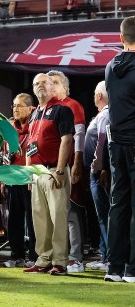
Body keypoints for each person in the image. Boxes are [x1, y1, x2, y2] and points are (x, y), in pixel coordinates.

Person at [23, 73, 74, 276]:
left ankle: (60, 261)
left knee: (58, 217)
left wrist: (60, 170)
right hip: (37, 173)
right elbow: (29, 144)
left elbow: (66, 140)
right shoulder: (35, 114)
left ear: (53, 87)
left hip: (54, 170)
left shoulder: (62, 110)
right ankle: (43, 259)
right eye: (36, 83)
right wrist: (28, 172)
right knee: (40, 219)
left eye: (44, 82)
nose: (40, 86)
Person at [104, 16, 135, 283]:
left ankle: (114, 267)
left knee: (119, 205)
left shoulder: (110, 66)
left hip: (116, 145)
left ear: (121, 37)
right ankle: (133, 269)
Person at [47, 70, 86, 274]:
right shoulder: (48, 108)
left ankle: (75, 258)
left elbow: (79, 136)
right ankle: (55, 257)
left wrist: (77, 162)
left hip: (67, 167)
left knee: (70, 213)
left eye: (55, 83)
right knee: (54, 214)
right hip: (49, 169)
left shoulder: (72, 105)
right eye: (49, 82)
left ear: (65, 87)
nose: (51, 86)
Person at [0, 93, 37, 268]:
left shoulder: (36, 125)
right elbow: (5, 154)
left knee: (32, 220)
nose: (15, 109)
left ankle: (35, 256)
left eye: (19, 106)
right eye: (14, 105)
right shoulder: (9, 128)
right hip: (12, 178)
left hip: (29, 179)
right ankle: (16, 255)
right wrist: (2, 179)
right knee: (13, 220)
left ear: (30, 108)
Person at [83, 81, 110, 272]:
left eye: (94, 93)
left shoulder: (106, 114)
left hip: (99, 173)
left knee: (105, 216)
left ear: (99, 96)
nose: (93, 97)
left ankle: (109, 258)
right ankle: (106, 255)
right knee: (103, 216)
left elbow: (102, 142)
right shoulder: (103, 114)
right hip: (99, 171)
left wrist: (98, 168)